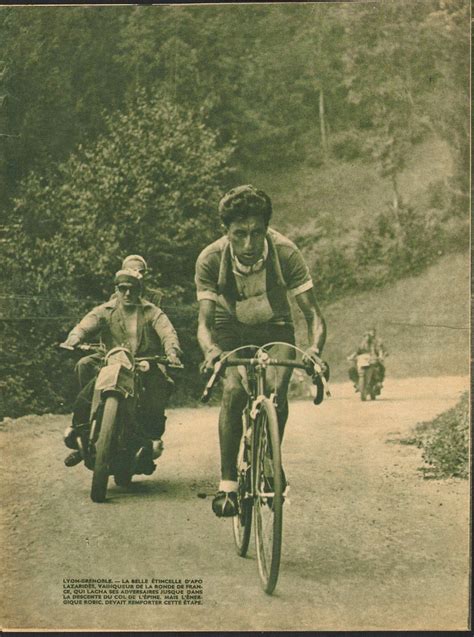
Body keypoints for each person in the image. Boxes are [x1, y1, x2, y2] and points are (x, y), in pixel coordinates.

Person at [195, 184, 326, 517]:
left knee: (277, 389)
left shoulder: (285, 253)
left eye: (256, 233)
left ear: (267, 229)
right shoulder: (211, 259)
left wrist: (314, 350)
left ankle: (270, 459)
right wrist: (210, 350)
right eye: (239, 234)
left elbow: (313, 316)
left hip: (275, 323)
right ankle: (228, 485)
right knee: (235, 391)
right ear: (226, 232)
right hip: (230, 326)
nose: (249, 244)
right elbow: (204, 323)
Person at [61, 268, 182, 467]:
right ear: (116, 289)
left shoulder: (151, 311)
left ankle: (149, 442)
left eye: (132, 289)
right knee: (84, 366)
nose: (127, 294)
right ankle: (81, 434)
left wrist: (172, 351)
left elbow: (167, 332)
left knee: (159, 384)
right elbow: (87, 323)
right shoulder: (106, 310)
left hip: (142, 362)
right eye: (122, 289)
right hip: (110, 361)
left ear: (139, 290)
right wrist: (75, 337)